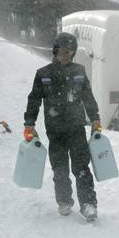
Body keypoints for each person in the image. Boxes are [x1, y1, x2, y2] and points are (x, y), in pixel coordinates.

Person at [23, 32, 102, 222]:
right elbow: (34, 100)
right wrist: (29, 123)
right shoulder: (43, 74)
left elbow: (88, 98)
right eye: (61, 52)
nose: (64, 55)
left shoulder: (79, 72)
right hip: (55, 130)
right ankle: (64, 200)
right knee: (60, 169)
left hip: (76, 129)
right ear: (55, 51)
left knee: (81, 167)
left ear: (73, 53)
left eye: (68, 52)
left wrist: (95, 119)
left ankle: (88, 204)